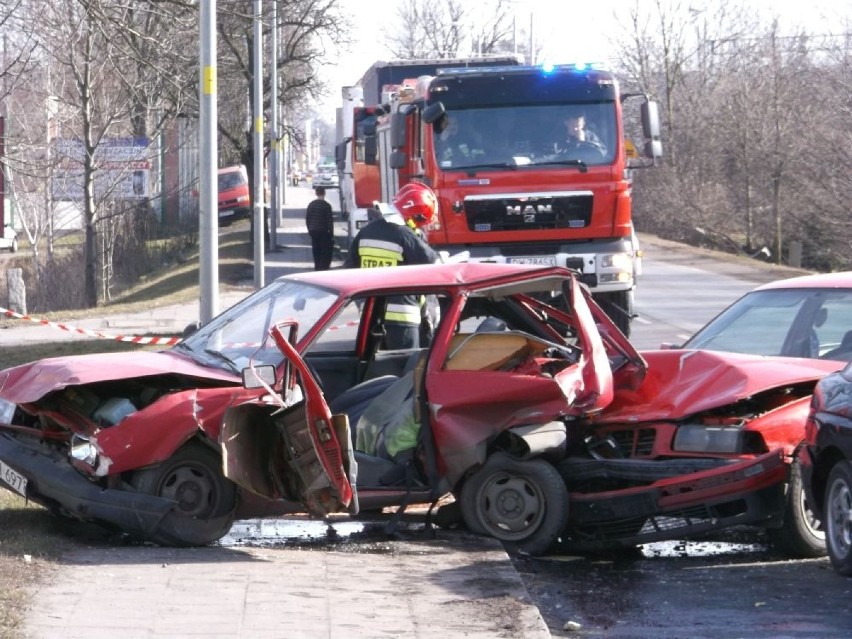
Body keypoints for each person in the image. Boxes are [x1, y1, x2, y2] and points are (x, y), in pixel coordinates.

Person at [344, 182, 440, 349]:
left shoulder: (366, 232)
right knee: (407, 371)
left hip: (371, 317)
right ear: (414, 216)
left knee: (376, 368)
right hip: (404, 321)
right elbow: (436, 268)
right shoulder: (406, 236)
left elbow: (349, 270)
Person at [305, 186, 335, 270]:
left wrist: (309, 229)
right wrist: (331, 233)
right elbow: (330, 221)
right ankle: (322, 267)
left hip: (313, 231)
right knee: (324, 250)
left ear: (316, 193)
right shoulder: (326, 206)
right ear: (324, 193)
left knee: (316, 249)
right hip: (323, 231)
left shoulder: (311, 205)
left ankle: (317, 266)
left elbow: (308, 218)